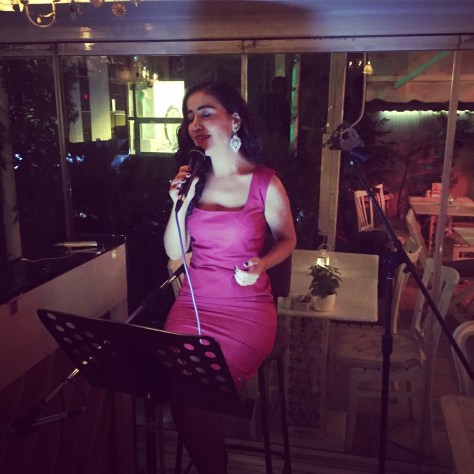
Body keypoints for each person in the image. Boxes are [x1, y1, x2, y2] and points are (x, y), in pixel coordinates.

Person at [164, 80, 296, 473]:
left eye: (206, 113)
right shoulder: (193, 181)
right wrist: (179, 203)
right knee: (179, 384)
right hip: (192, 305)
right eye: (190, 116)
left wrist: (263, 264)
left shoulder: (264, 181)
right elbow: (174, 251)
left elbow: (288, 238)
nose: (195, 123)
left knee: (194, 390)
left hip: (245, 311)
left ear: (235, 120)